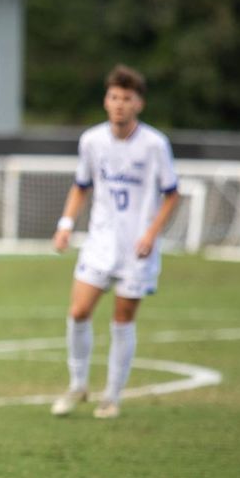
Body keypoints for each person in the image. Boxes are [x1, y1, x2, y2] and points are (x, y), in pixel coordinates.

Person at [50, 64, 179, 419]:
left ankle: (112, 395)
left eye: (127, 98)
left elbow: (171, 194)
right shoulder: (92, 141)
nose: (119, 104)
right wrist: (65, 225)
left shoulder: (154, 145)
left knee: (122, 319)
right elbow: (81, 186)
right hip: (100, 242)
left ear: (139, 103)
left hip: (137, 248)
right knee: (78, 312)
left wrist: (151, 235)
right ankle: (78, 384)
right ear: (106, 101)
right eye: (114, 97)